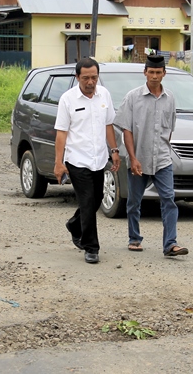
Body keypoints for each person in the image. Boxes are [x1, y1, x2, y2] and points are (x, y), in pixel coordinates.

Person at [114, 55, 188, 257]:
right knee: (134, 202)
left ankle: (170, 244)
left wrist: (163, 149)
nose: (155, 76)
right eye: (151, 72)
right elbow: (126, 129)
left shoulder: (170, 98)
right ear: (145, 72)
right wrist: (133, 157)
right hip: (139, 158)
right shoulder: (133, 97)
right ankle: (134, 238)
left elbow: (169, 129)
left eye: (158, 72)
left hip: (163, 159)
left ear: (164, 73)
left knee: (169, 199)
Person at [53, 57, 121, 264]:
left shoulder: (104, 95)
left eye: (94, 77)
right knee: (87, 200)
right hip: (76, 159)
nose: (90, 82)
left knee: (97, 198)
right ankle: (91, 247)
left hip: (99, 158)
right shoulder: (67, 99)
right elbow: (61, 133)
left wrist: (114, 150)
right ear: (77, 78)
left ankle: (75, 225)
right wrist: (58, 163)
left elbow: (108, 124)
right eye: (86, 78)